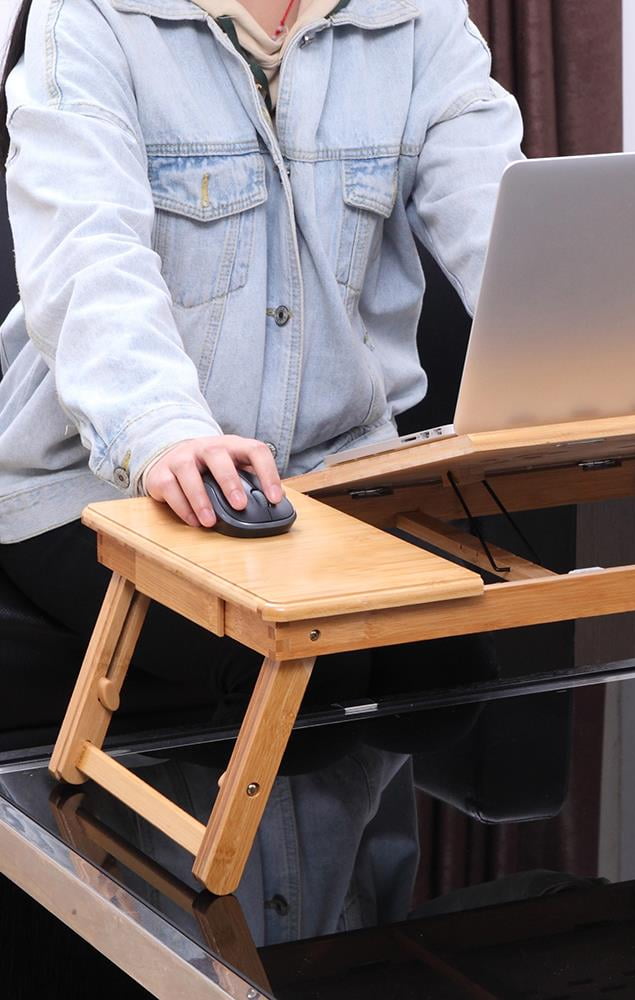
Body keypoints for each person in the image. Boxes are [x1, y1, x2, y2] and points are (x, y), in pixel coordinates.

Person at [0, 0, 517, 708]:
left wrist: (597, 366)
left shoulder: (419, 18)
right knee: (308, 679)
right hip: (100, 482)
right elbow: (87, 253)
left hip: (330, 479)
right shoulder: (89, 15)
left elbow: (500, 221)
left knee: (447, 677)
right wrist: (164, 431)